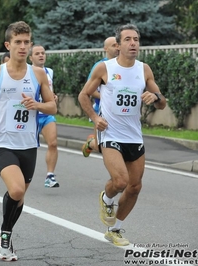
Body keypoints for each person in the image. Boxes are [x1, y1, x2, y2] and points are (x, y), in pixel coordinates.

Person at [0, 21, 57, 261]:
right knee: (15, 189)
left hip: (28, 144)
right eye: (18, 42)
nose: (23, 46)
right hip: (2, 142)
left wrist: (37, 105)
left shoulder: (38, 74)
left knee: (20, 196)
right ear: (8, 44)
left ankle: (4, 231)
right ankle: (5, 235)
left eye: (27, 42)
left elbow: (53, 106)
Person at [78, 24, 166, 246]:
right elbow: (83, 96)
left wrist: (155, 97)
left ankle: (114, 229)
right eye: (128, 39)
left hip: (134, 136)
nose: (133, 43)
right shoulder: (104, 68)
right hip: (110, 133)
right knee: (120, 181)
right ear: (118, 45)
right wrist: (95, 118)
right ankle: (106, 198)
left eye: (136, 39)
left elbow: (162, 103)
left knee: (135, 187)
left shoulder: (144, 69)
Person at [29, 44, 60, 188]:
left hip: (46, 114)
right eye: (37, 53)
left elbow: (48, 90)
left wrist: (53, 98)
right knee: (29, 147)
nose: (41, 55)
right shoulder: (27, 72)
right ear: (31, 57)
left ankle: (50, 175)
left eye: (43, 53)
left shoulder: (50, 72)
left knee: (53, 143)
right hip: (31, 114)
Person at [82, 37, 119, 157]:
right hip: (102, 112)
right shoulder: (100, 66)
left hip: (119, 113)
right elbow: (89, 91)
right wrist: (108, 97)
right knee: (100, 147)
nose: (117, 48)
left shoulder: (123, 65)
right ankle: (90, 143)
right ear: (105, 48)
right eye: (113, 45)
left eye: (118, 45)